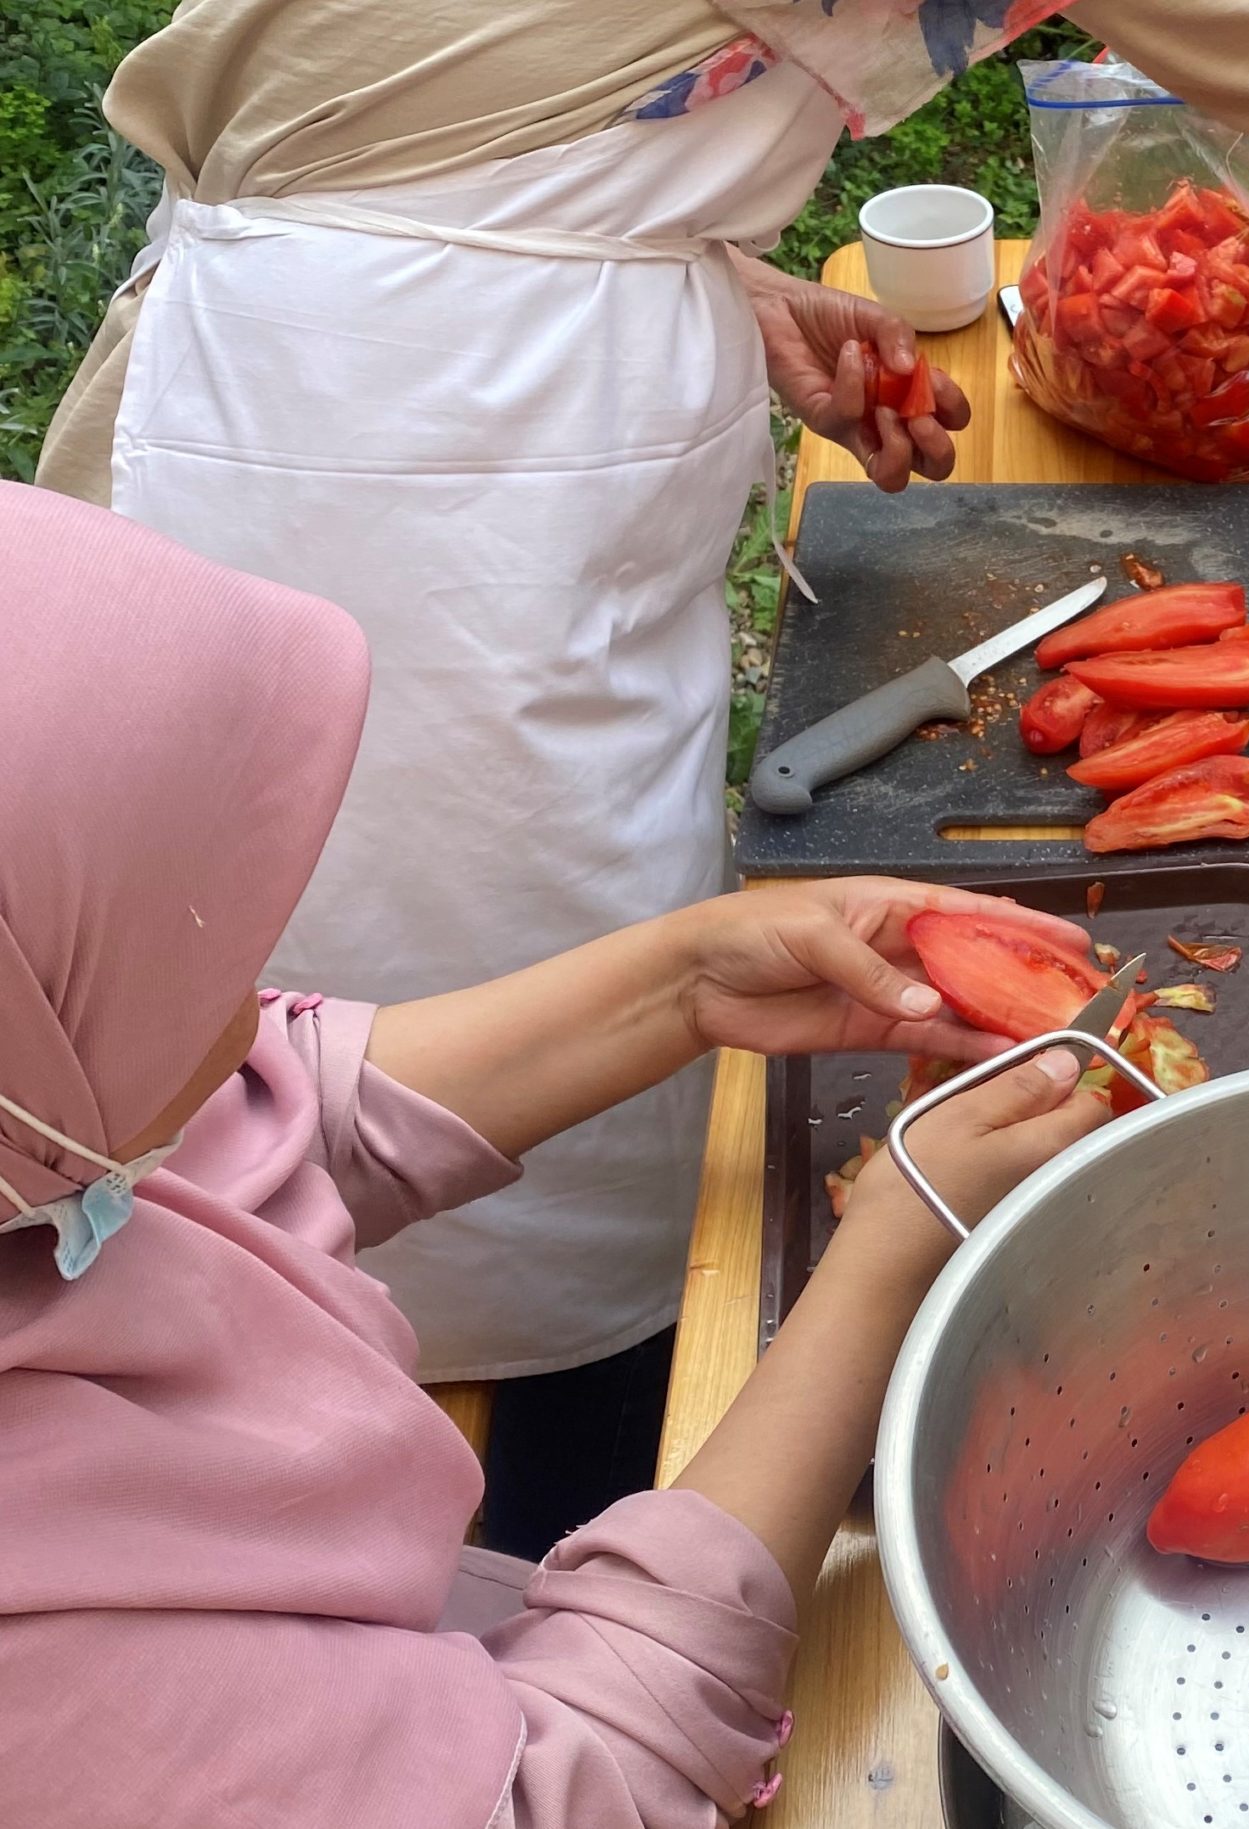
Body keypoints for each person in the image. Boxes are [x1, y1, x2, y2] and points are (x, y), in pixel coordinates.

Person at [35, 0, 1249, 1556]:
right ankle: (523, 1581)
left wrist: (697, 254)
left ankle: (574, 1523)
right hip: (407, 476)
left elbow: (463, 71)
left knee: (606, 1057)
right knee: (468, 1166)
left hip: (433, 388)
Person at [0, 479, 1111, 1826]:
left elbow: (253, 1114)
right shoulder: (52, 1692)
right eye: (185, 959)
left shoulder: (45, 1139)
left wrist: (685, 981)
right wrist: (895, 1248)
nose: (253, 1000)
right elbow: (573, 1787)